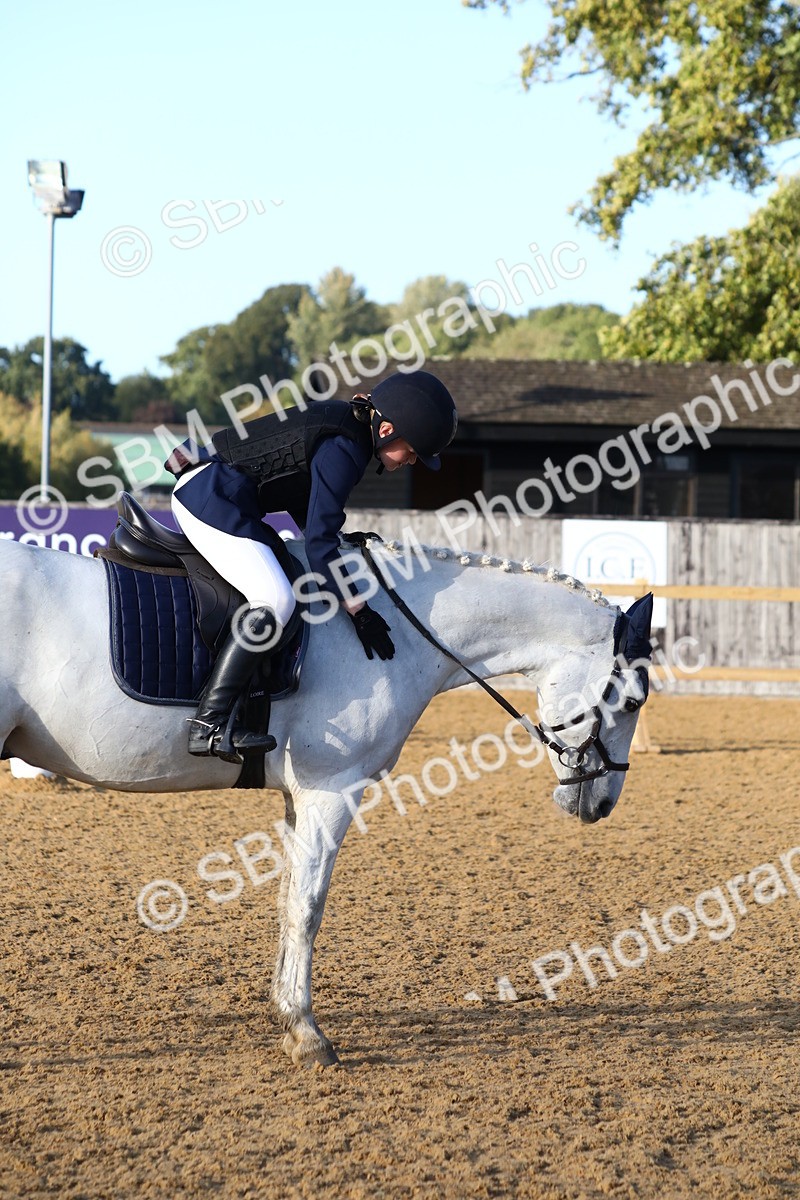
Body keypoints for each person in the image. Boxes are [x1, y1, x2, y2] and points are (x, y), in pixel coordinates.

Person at [165, 369, 458, 762]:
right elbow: (319, 546)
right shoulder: (346, 448)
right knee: (276, 601)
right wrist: (359, 610)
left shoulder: (346, 431)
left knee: (287, 579)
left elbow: (302, 501)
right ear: (387, 430)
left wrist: (336, 542)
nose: (412, 462)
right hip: (210, 499)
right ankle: (209, 722)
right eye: (413, 451)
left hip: (224, 498)